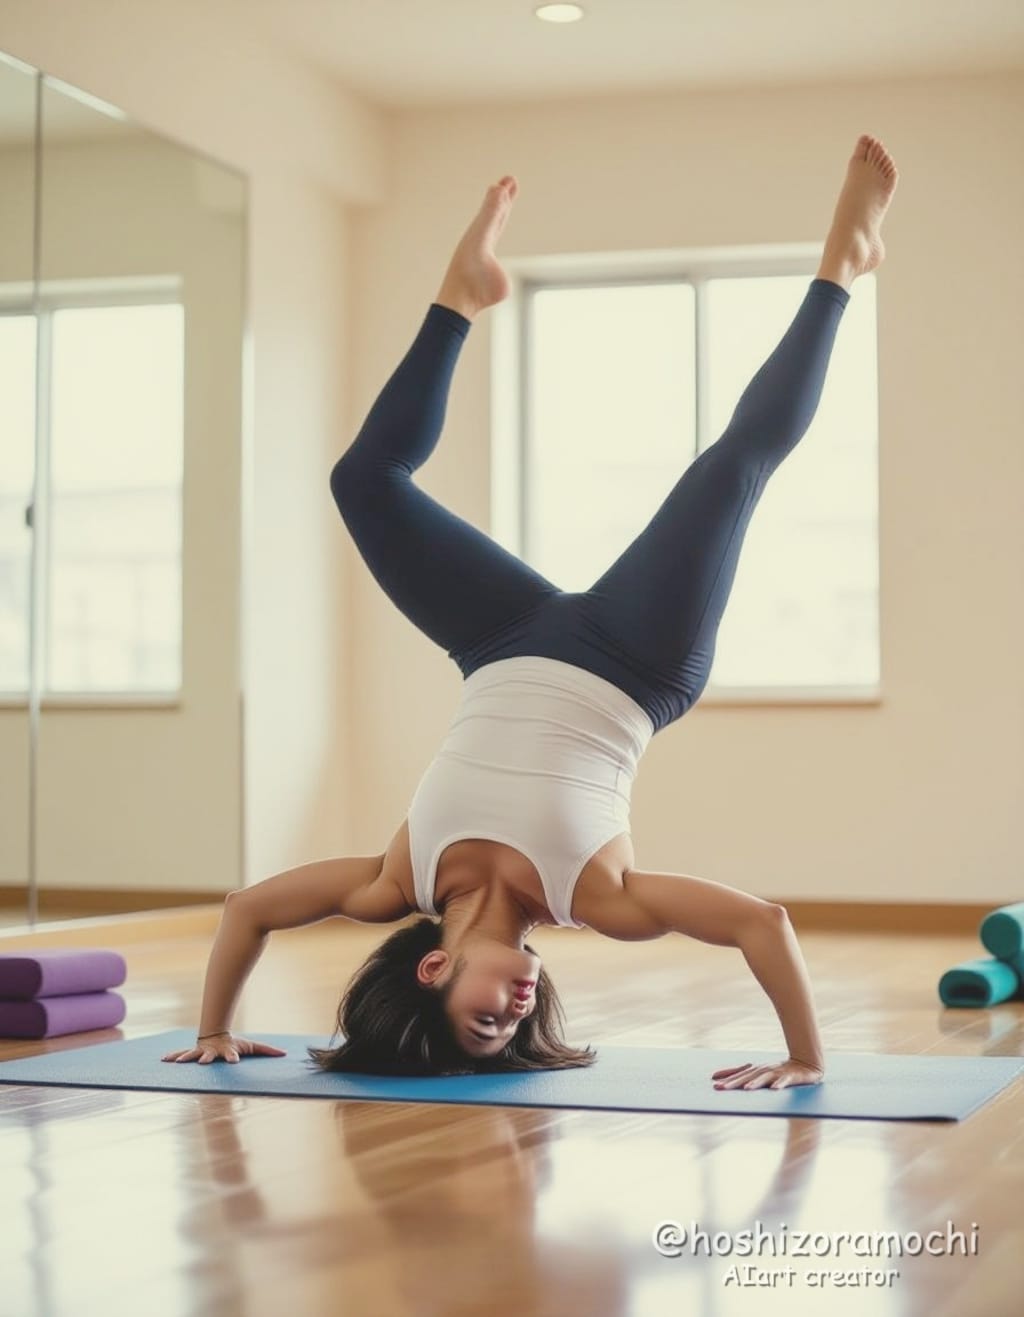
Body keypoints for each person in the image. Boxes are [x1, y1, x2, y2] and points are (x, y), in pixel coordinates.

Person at [163, 135, 899, 1089]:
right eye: (510, 1036)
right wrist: (805, 1055)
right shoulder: (597, 897)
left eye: (480, 1025)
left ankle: (459, 295)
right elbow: (764, 923)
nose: (512, 1017)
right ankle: (845, 260)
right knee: (731, 467)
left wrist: (215, 1027)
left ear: (433, 967)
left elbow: (245, 907)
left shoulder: (396, 880)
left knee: (363, 482)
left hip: (499, 643)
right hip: (639, 662)